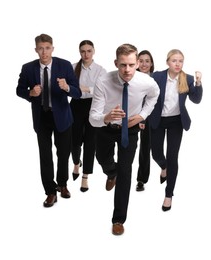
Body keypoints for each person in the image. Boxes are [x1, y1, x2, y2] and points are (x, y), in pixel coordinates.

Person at [89, 43, 160, 235]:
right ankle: (111, 173)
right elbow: (93, 118)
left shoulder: (146, 82)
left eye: (131, 64)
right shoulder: (103, 81)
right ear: (116, 63)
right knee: (102, 159)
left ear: (137, 63)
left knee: (126, 170)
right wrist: (107, 117)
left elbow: (155, 95)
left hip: (130, 129)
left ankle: (118, 219)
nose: (127, 70)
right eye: (122, 65)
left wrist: (143, 115)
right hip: (106, 126)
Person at [16, 33, 81, 207]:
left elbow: (77, 92)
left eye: (47, 48)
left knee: (63, 153)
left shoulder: (65, 65)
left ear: (52, 48)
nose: (44, 52)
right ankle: (50, 191)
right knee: (45, 156)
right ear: (36, 50)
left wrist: (67, 87)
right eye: (41, 48)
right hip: (41, 116)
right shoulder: (28, 68)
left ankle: (63, 184)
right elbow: (19, 89)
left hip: (62, 117)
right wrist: (30, 93)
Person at [149, 49, 203, 212]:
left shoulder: (188, 78)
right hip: (157, 119)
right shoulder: (157, 76)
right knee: (156, 153)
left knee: (173, 157)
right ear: (167, 62)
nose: (177, 64)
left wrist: (199, 83)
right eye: (174, 61)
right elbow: (147, 97)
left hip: (176, 122)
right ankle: (163, 167)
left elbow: (196, 100)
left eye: (180, 61)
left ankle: (169, 194)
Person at [70, 40, 107, 192]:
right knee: (74, 140)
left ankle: (85, 176)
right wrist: (78, 89)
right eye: (83, 51)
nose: (86, 54)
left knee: (90, 142)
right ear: (79, 52)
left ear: (94, 51)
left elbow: (102, 90)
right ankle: (76, 163)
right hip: (75, 105)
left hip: (94, 106)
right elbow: (69, 88)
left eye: (89, 51)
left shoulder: (100, 70)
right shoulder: (72, 67)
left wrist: (84, 88)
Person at [135, 50, 155, 192]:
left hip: (147, 117)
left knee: (145, 147)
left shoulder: (155, 79)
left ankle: (141, 179)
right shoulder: (130, 77)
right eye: (141, 61)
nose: (144, 64)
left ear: (151, 63)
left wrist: (144, 117)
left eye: (147, 61)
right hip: (130, 115)